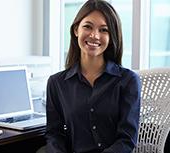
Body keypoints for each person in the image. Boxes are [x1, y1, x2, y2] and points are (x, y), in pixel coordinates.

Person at [45, 0, 141, 153]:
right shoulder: (56, 83)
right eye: (87, 26)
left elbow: (127, 139)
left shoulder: (128, 81)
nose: (94, 35)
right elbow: (54, 135)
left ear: (111, 36)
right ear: (76, 30)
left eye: (104, 30)